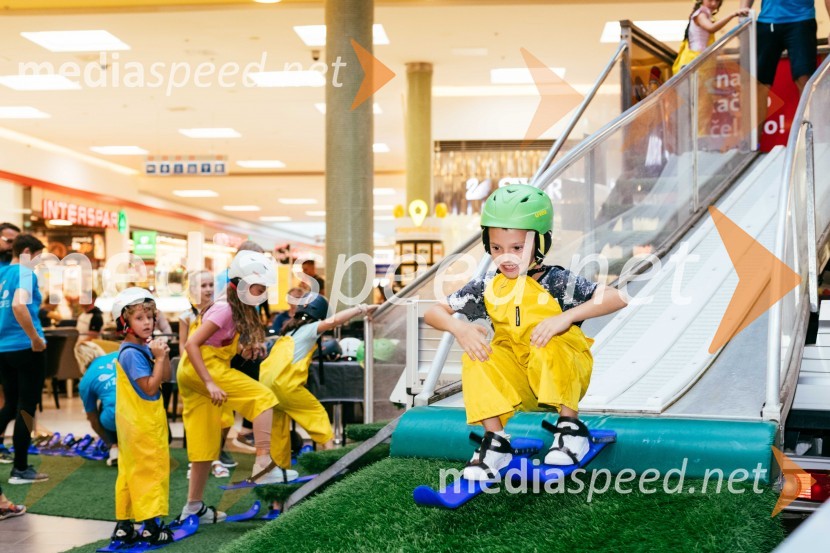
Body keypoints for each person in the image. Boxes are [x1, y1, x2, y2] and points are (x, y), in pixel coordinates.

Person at [424, 185, 627, 482]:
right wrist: (459, 327)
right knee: (478, 355)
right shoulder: (487, 286)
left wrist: (566, 318)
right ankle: (496, 442)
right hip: (519, 382)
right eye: (496, 248)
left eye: (517, 248)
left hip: (559, 375)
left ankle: (570, 430)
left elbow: (616, 297)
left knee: (550, 340)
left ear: (540, 243)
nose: (506, 257)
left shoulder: (556, 281)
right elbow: (434, 311)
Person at [177, 250, 291, 525]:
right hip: (200, 369)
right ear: (242, 282)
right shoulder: (225, 308)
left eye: (264, 289)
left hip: (197, 370)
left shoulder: (235, 306)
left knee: (205, 445)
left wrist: (244, 350)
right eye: (259, 287)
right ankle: (264, 463)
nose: (262, 293)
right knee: (263, 397)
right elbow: (192, 345)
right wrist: (209, 382)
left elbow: (218, 343)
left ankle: (193, 507)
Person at [260, 294, 378, 473]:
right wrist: (362, 308)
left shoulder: (288, 330)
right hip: (285, 386)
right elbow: (335, 321)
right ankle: (332, 464)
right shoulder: (309, 329)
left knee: (279, 432)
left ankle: (279, 472)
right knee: (318, 417)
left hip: (266, 386)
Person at [109, 287, 173, 547]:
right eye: (139, 318)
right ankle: (151, 527)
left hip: (132, 423)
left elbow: (165, 377)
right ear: (125, 322)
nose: (147, 322)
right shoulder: (133, 353)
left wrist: (162, 357)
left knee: (130, 472)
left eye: (150, 317)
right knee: (151, 470)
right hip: (144, 424)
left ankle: (125, 525)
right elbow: (149, 386)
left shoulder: (139, 348)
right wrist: (158, 358)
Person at [177, 270, 235, 477]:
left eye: (211, 285)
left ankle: (216, 455)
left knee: (224, 417)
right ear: (193, 289)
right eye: (203, 286)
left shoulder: (220, 311)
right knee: (199, 420)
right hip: (196, 372)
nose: (208, 289)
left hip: (219, 370)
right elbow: (184, 344)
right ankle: (199, 461)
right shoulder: (186, 316)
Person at [0, 234, 48, 485]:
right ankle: (20, 469)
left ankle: (19, 465)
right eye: (38, 257)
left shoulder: (3, 273)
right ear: (28, 251)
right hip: (25, 348)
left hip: (4, 349)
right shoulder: (26, 273)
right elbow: (19, 306)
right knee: (26, 407)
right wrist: (35, 339)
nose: (38, 263)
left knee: (10, 405)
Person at [741, 0, 830, 119]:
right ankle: (753, 137)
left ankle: (808, 135)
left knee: (805, 82)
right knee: (758, 85)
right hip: (767, 21)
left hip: (801, 19)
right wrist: (743, 11)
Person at [75, 341, 119, 466]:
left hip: (115, 418)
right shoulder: (118, 355)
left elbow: (92, 418)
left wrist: (109, 442)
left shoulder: (85, 381)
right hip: (143, 412)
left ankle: (114, 448)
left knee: (103, 407)